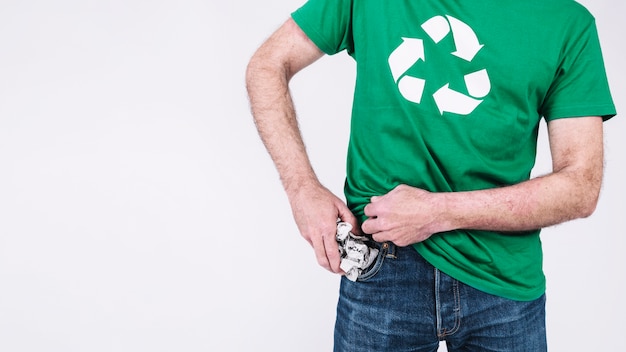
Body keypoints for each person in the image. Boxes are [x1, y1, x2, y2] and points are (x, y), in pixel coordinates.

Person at [246, 0, 616, 350]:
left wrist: (437, 212)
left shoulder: (568, 23)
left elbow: (580, 187)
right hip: (381, 265)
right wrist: (302, 190)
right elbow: (268, 64)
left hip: (503, 280)